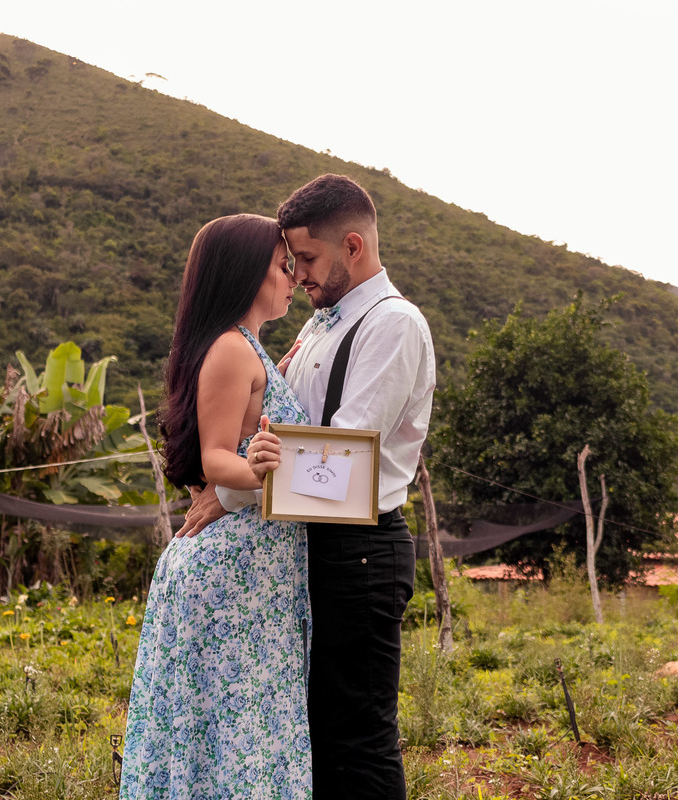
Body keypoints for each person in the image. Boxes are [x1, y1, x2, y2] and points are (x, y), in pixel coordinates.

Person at [181, 174, 436, 800]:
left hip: (360, 550)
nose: (299, 276)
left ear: (353, 246)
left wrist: (229, 492)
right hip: (307, 546)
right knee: (312, 732)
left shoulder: (392, 324)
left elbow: (342, 460)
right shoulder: (321, 325)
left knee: (358, 737)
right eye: (290, 262)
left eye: (309, 259)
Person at [120, 214, 313, 799]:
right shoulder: (231, 348)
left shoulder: (246, 348)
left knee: (230, 734)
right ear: (246, 274)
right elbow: (216, 459)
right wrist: (258, 468)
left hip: (251, 574)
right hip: (236, 573)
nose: (292, 277)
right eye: (282, 266)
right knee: (236, 736)